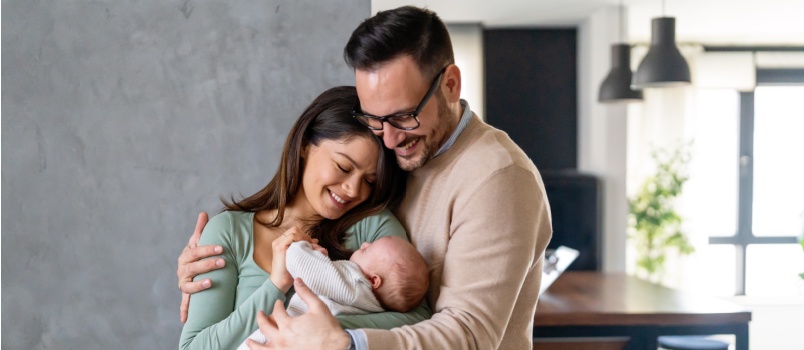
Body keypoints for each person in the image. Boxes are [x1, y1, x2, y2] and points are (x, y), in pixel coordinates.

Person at [179, 5, 553, 349]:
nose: (388, 139)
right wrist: (214, 272)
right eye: (376, 120)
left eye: (403, 116)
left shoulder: (498, 179)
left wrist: (345, 342)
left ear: (451, 85)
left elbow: (470, 334)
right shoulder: (405, 158)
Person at [178, 86, 431, 350]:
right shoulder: (230, 232)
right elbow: (194, 347)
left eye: (369, 181)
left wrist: (320, 335)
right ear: (306, 146)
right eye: (343, 167)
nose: (354, 190)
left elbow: (420, 320)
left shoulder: (373, 227)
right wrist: (276, 284)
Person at [237, 236, 429, 349]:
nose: (364, 244)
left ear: (373, 280)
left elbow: (300, 263)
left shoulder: (356, 283)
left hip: (284, 334)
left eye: (369, 249)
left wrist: (303, 246)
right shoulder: (371, 306)